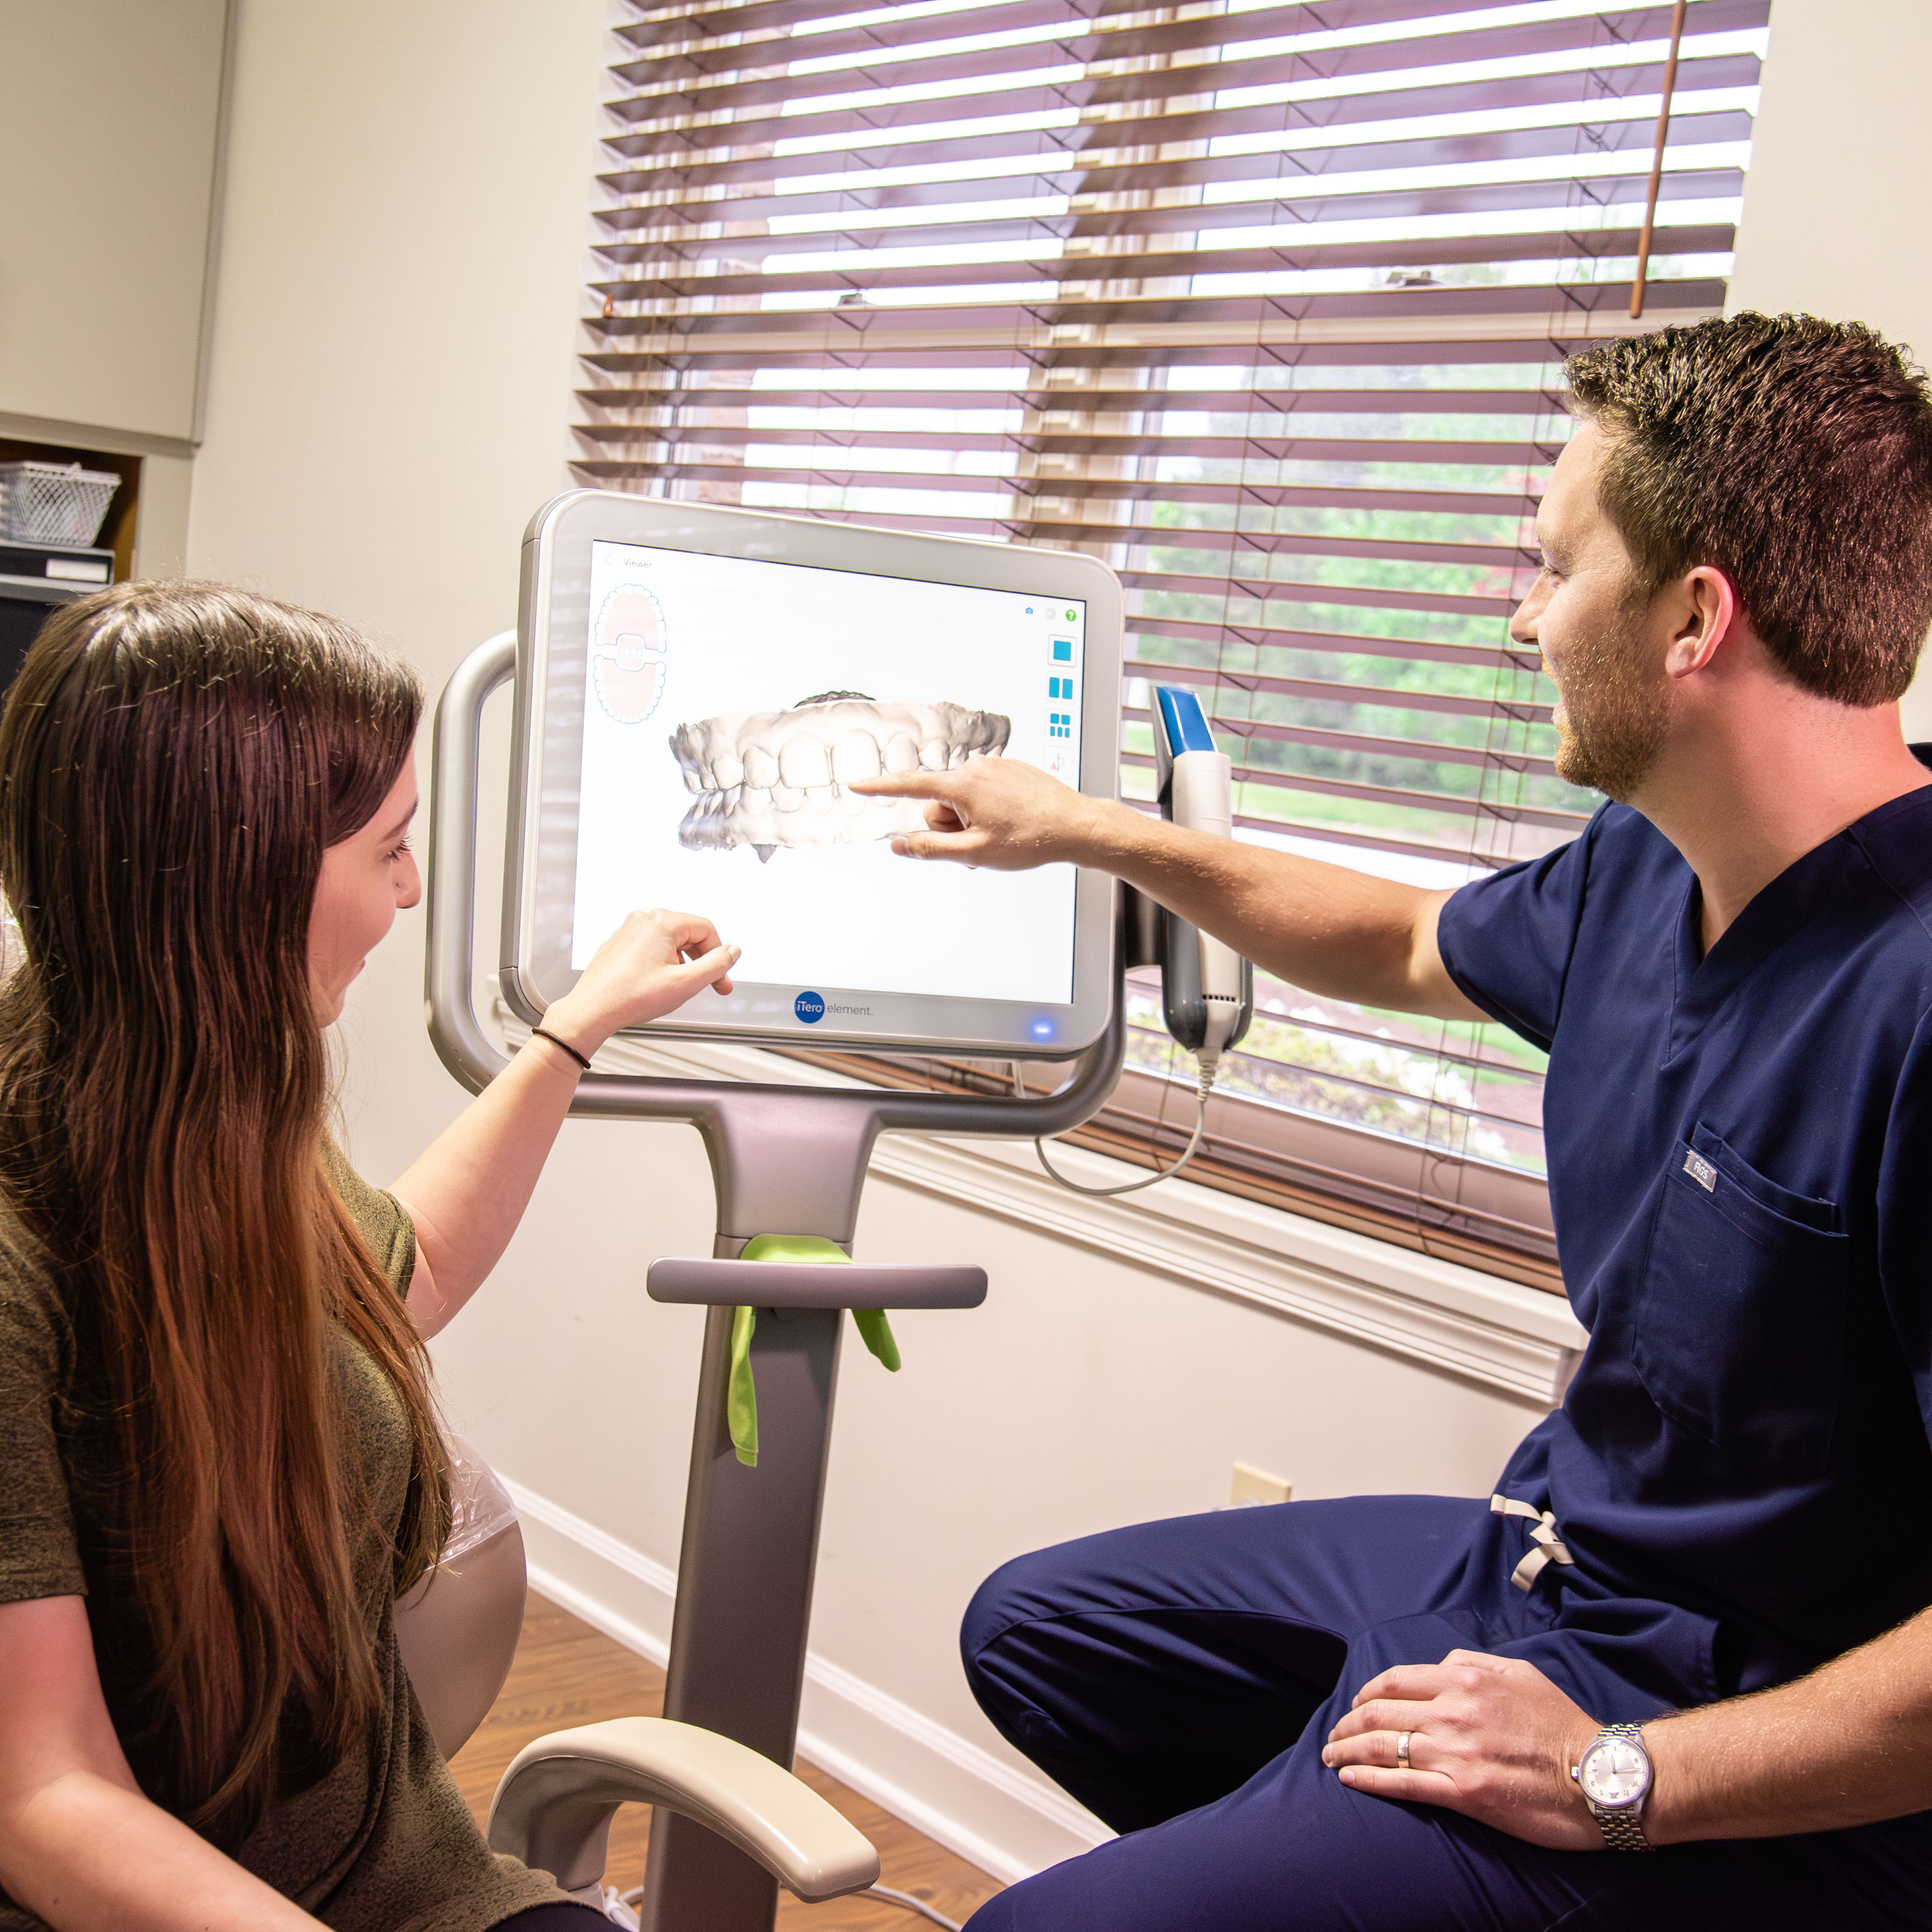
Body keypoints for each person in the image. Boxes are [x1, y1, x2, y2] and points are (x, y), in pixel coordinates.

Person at [852, 312, 1932, 1928]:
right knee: (1050, 1636)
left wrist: (1609, 1779)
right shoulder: (1655, 861)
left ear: (1693, 617)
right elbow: (1405, 937)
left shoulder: (1911, 989)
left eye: (1555, 568)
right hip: (1552, 1560)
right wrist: (1089, 830)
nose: (1522, 618)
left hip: (1738, 1712)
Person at [0, 583, 738, 1932]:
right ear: (242, 880)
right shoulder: (18, 1257)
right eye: (387, 848)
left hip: (404, 1881)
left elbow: (395, 1281)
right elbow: (43, 1795)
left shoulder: (207, 1094)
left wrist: (570, 1035)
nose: (408, 887)